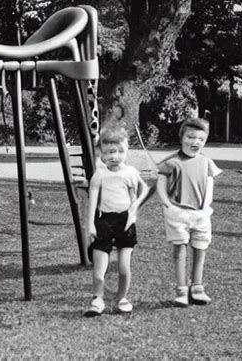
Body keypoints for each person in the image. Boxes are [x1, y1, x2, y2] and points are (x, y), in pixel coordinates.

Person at [84, 127, 150, 317]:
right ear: (102, 154)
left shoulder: (130, 172)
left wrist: (135, 206)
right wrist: (90, 225)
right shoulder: (99, 175)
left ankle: (122, 298)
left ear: (127, 150)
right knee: (99, 270)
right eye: (110, 152)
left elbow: (144, 189)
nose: (115, 156)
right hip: (104, 222)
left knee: (123, 268)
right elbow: (92, 201)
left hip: (125, 222)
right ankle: (97, 298)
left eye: (120, 151)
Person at [156, 117, 221, 307]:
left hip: (200, 215)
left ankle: (197, 287)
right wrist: (168, 205)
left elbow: (209, 186)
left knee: (201, 248)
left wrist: (205, 207)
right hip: (178, 214)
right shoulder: (170, 162)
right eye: (191, 137)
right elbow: (161, 186)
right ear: (181, 137)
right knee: (180, 250)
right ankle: (181, 290)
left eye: (200, 139)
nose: (195, 142)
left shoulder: (206, 162)